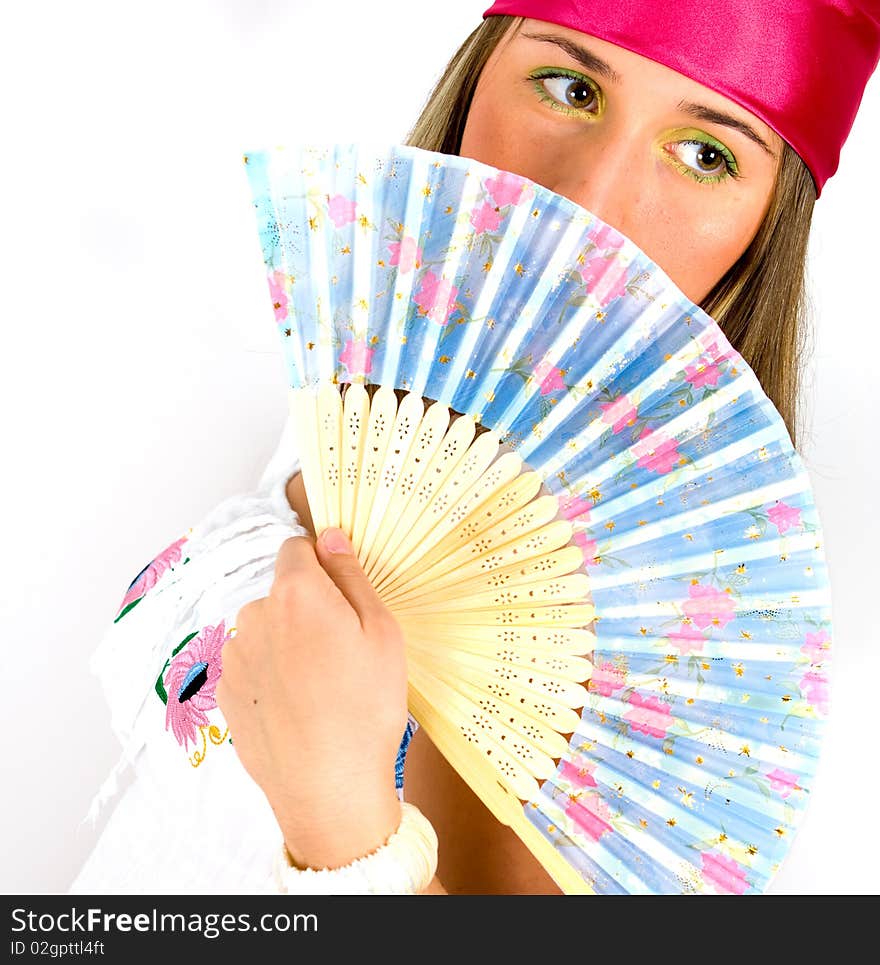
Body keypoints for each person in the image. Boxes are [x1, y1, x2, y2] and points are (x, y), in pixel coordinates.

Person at [69, 2, 880, 895]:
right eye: (569, 88)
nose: (593, 200)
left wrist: (342, 821)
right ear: (472, 86)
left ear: (765, 236)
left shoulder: (681, 683)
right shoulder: (380, 414)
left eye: (704, 154)